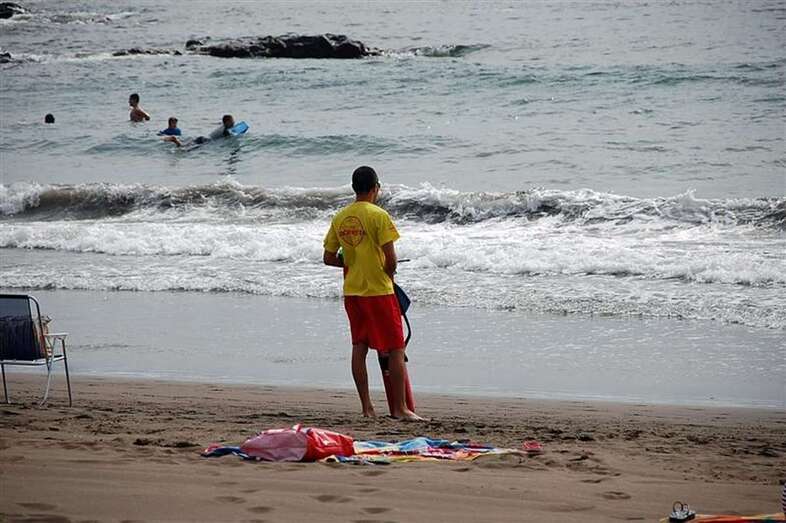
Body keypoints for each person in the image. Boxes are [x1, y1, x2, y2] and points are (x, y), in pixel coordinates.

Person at [323, 166, 425, 421]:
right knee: (396, 348)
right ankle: (401, 409)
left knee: (360, 346)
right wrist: (389, 276)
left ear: (354, 187)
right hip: (379, 291)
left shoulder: (340, 217)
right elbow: (391, 260)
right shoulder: (379, 215)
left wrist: (352, 264)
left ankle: (367, 408)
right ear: (375, 188)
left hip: (353, 293)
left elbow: (328, 258)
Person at [163, 115, 236, 148]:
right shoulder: (225, 130)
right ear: (227, 122)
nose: (234, 122)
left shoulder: (223, 126)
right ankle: (175, 140)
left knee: (185, 146)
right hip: (204, 141)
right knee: (183, 149)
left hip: (202, 138)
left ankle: (175, 140)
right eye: (232, 121)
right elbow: (229, 139)